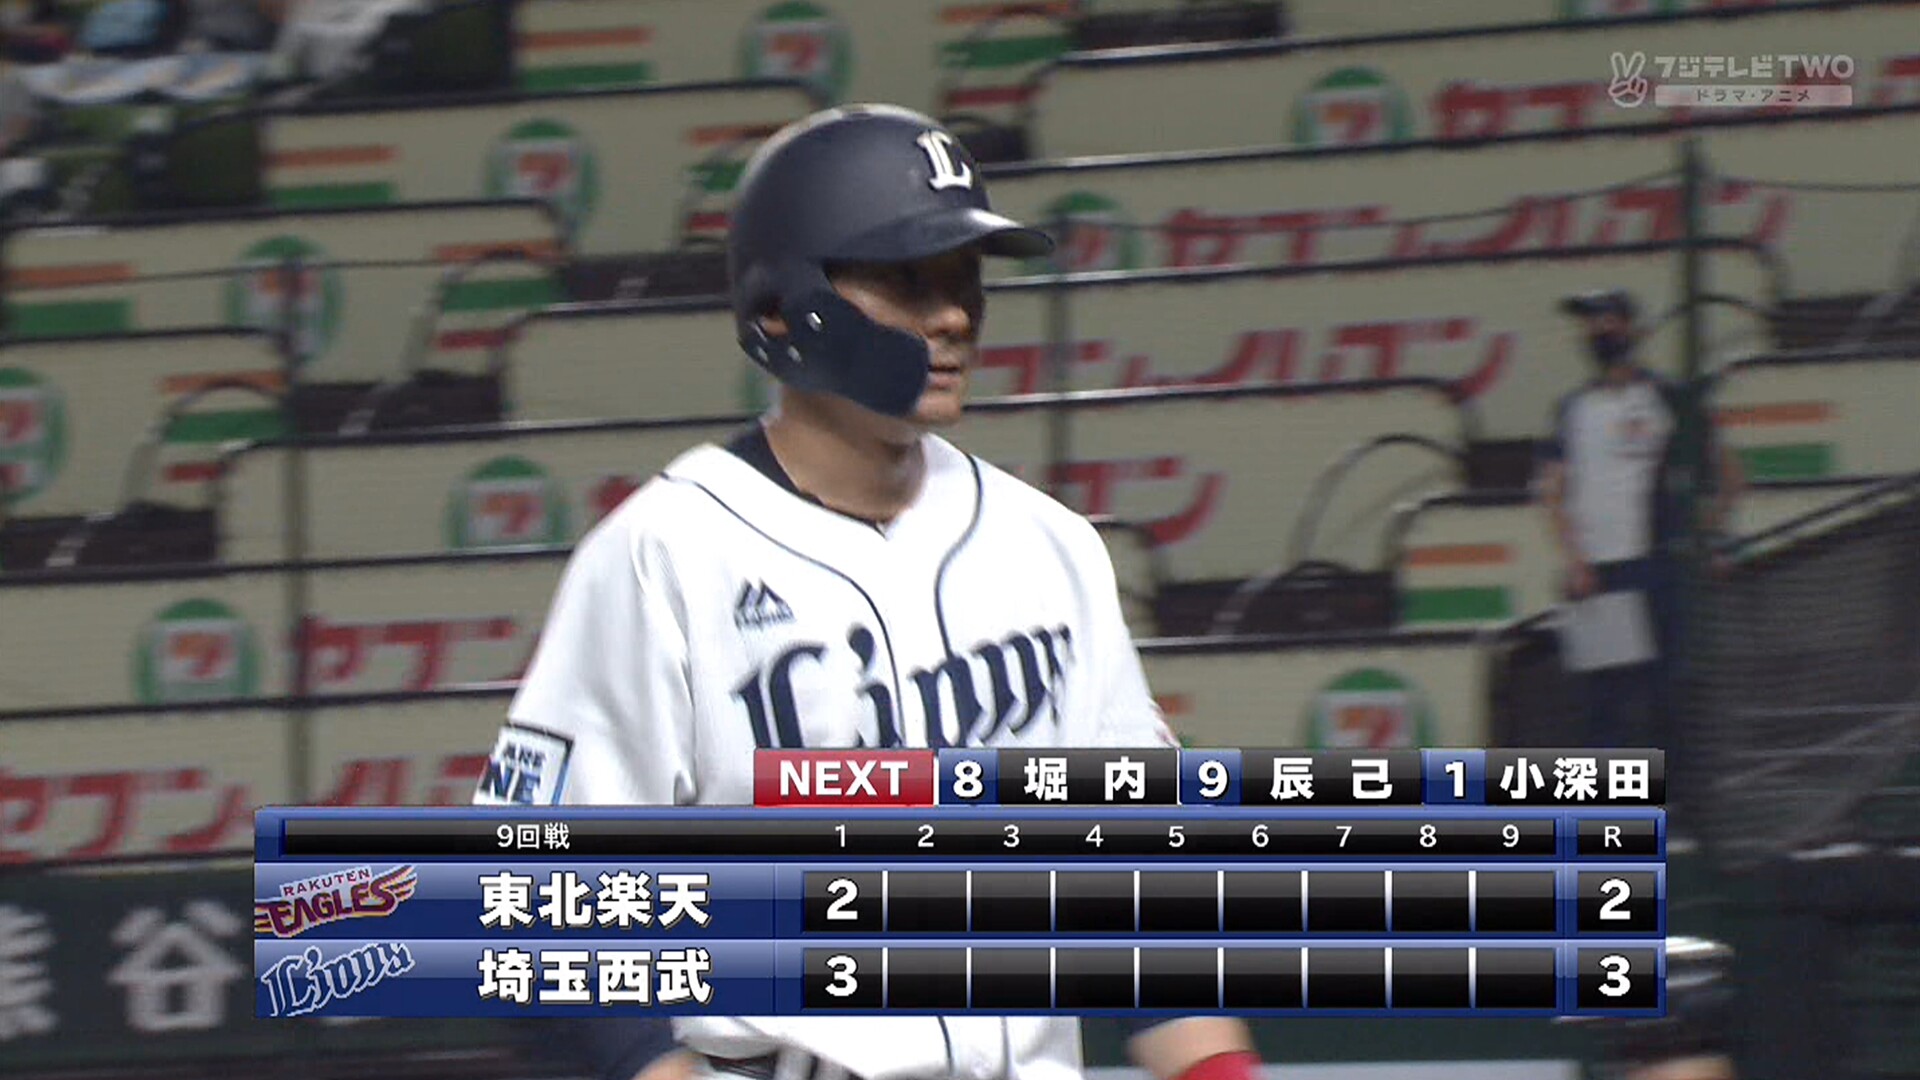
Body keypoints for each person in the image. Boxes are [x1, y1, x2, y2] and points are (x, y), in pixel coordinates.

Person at [475, 103, 1261, 1080]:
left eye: (964, 281)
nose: (953, 317)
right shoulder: (664, 556)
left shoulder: (1050, 546)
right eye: (906, 281)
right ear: (780, 309)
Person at [1535, 288, 1743, 751]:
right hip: (1600, 573)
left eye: (1606, 321)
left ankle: (1673, 787)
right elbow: (1552, 491)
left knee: (1665, 694)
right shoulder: (1572, 409)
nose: (1597, 332)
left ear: (1631, 328)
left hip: (1658, 566)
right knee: (1602, 700)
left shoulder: (1667, 398)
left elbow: (1728, 473)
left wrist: (1707, 535)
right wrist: (1575, 559)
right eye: (1589, 324)